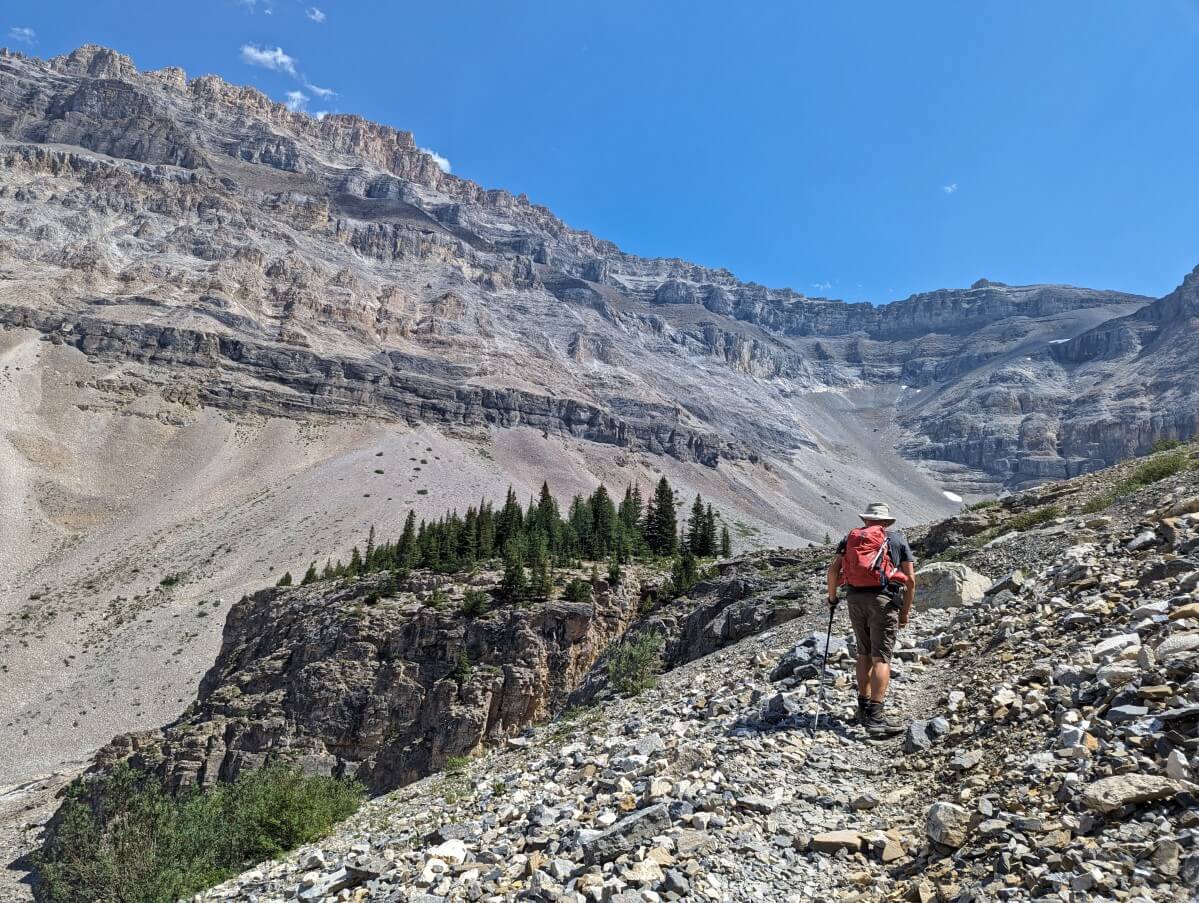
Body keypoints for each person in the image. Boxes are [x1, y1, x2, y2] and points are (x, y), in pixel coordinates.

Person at [826, 502, 916, 737]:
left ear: (866, 520)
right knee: (881, 657)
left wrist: (832, 598)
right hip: (883, 601)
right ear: (886, 522)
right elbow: (910, 579)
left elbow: (833, 570)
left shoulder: (850, 539)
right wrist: (905, 612)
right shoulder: (897, 540)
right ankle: (876, 719)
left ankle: (863, 708)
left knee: (863, 653)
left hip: (854, 598)